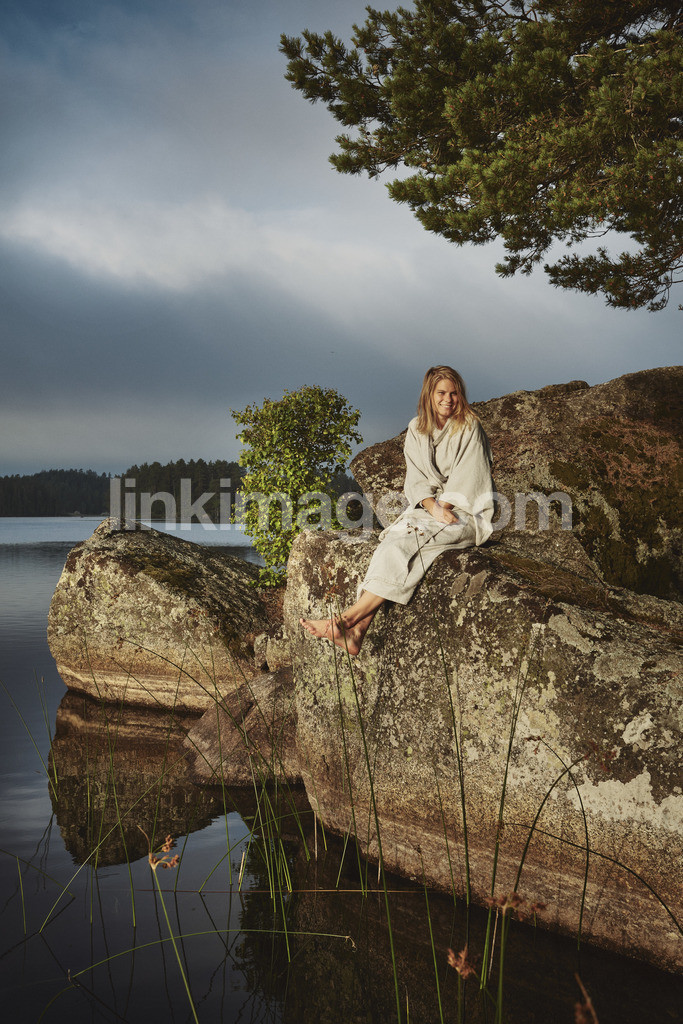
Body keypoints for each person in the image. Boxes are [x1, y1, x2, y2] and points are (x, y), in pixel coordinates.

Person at [300, 366, 495, 655]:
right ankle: (356, 633)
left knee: (408, 544)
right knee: (392, 543)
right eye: (442, 392)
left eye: (454, 393)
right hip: (431, 509)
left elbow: (469, 476)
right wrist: (432, 507)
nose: (448, 399)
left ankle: (345, 621)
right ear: (429, 394)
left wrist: (443, 508)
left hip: (465, 512)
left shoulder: (469, 426)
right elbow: (415, 479)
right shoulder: (417, 428)